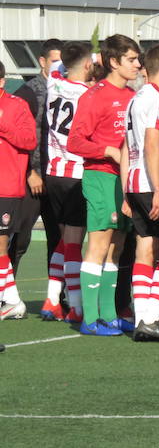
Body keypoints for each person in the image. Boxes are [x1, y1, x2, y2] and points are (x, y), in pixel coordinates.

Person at [67, 34, 141, 336]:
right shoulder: (94, 95)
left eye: (138, 59)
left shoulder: (133, 96)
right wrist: (107, 151)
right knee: (98, 245)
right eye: (131, 59)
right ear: (114, 62)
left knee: (117, 246)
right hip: (100, 177)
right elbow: (75, 141)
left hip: (123, 181)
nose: (137, 64)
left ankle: (109, 314)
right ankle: (89, 317)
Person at [119, 44, 159, 342]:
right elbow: (151, 144)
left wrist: (125, 193)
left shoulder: (135, 99)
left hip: (134, 184)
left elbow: (125, 148)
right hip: (156, 184)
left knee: (145, 248)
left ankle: (141, 317)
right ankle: (152, 315)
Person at [41, 42, 93, 322]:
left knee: (63, 241)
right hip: (76, 173)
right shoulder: (89, 94)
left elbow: (56, 67)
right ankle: (76, 306)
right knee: (74, 243)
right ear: (88, 65)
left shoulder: (53, 83)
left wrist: (74, 60)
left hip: (53, 171)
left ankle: (51, 299)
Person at [8, 38, 63, 277]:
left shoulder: (68, 92)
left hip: (57, 178)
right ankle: (5, 294)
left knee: (59, 240)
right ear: (42, 61)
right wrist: (30, 172)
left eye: (63, 63)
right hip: (31, 180)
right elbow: (17, 138)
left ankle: (57, 297)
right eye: (54, 61)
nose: (59, 67)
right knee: (19, 239)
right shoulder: (27, 92)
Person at [0, 60, 38, 319]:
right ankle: (12, 299)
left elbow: (29, 140)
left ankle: (12, 300)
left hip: (6, 186)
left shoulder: (16, 105)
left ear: (2, 82)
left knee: (1, 245)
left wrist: (2, 125)